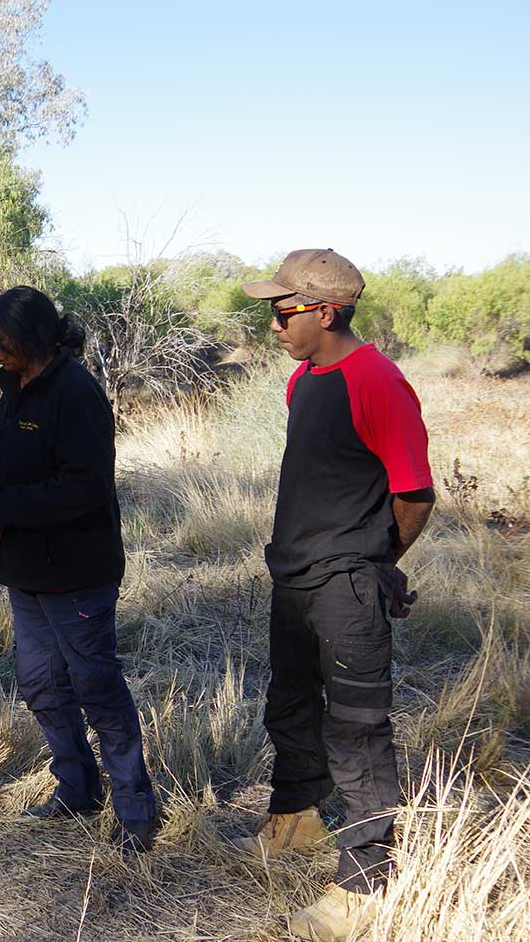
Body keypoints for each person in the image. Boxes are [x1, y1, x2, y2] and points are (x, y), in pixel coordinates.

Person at [235, 249, 434, 941]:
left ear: (325, 310)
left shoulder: (377, 381)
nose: (273, 325)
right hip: (292, 579)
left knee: (357, 733)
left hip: (346, 587)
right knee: (289, 704)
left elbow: (415, 493)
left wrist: (374, 560)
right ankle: (297, 817)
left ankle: (366, 885)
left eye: (282, 311)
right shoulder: (304, 381)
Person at [0, 286, 159, 854]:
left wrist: (5, 509)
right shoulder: (14, 390)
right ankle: (76, 789)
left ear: (32, 339)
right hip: (27, 570)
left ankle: (135, 814)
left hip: (76, 570)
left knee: (97, 688)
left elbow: (85, 485)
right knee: (40, 684)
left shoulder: (75, 391)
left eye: (2, 341)